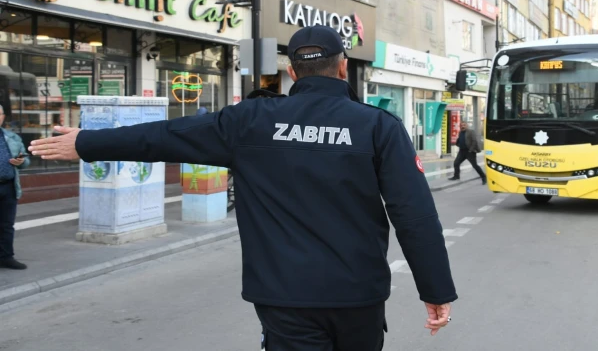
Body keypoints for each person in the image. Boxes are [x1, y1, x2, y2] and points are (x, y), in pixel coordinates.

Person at [29, 25, 457, 350]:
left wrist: (85, 142)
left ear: (292, 71)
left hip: (282, 296)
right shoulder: (377, 126)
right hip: (358, 296)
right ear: (343, 66)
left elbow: (164, 135)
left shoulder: (249, 121)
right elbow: (415, 215)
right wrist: (434, 290)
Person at [0, 105, 31, 270]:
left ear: (3, 117)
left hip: (8, 187)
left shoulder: (11, 137)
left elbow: (25, 160)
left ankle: (6, 257)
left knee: (6, 224)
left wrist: (21, 161)